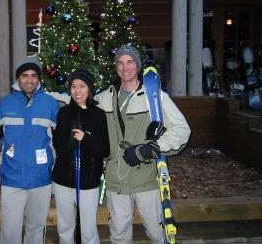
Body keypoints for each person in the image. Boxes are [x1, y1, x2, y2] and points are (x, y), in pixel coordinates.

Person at [95, 44, 191, 244]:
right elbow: (77, 103)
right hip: (116, 181)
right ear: (115, 67)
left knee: (157, 233)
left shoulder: (154, 98)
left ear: (137, 66)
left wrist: (150, 149)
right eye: (120, 63)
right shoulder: (104, 98)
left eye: (130, 62)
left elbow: (182, 130)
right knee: (119, 235)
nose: (125, 68)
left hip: (147, 180)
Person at [0, 56, 60, 244]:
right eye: (24, 75)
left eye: (33, 76)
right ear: (18, 78)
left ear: (39, 79)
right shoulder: (5, 105)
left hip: (41, 178)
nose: (29, 80)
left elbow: (60, 140)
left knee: (36, 228)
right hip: (11, 178)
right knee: (9, 229)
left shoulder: (50, 104)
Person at [52, 69, 110, 244]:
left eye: (82, 86)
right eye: (74, 87)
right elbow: (58, 144)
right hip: (63, 179)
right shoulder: (64, 113)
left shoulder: (98, 115)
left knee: (88, 228)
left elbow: (104, 149)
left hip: (88, 180)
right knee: (65, 226)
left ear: (90, 89)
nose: (77, 91)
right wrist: (69, 141)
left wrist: (86, 138)